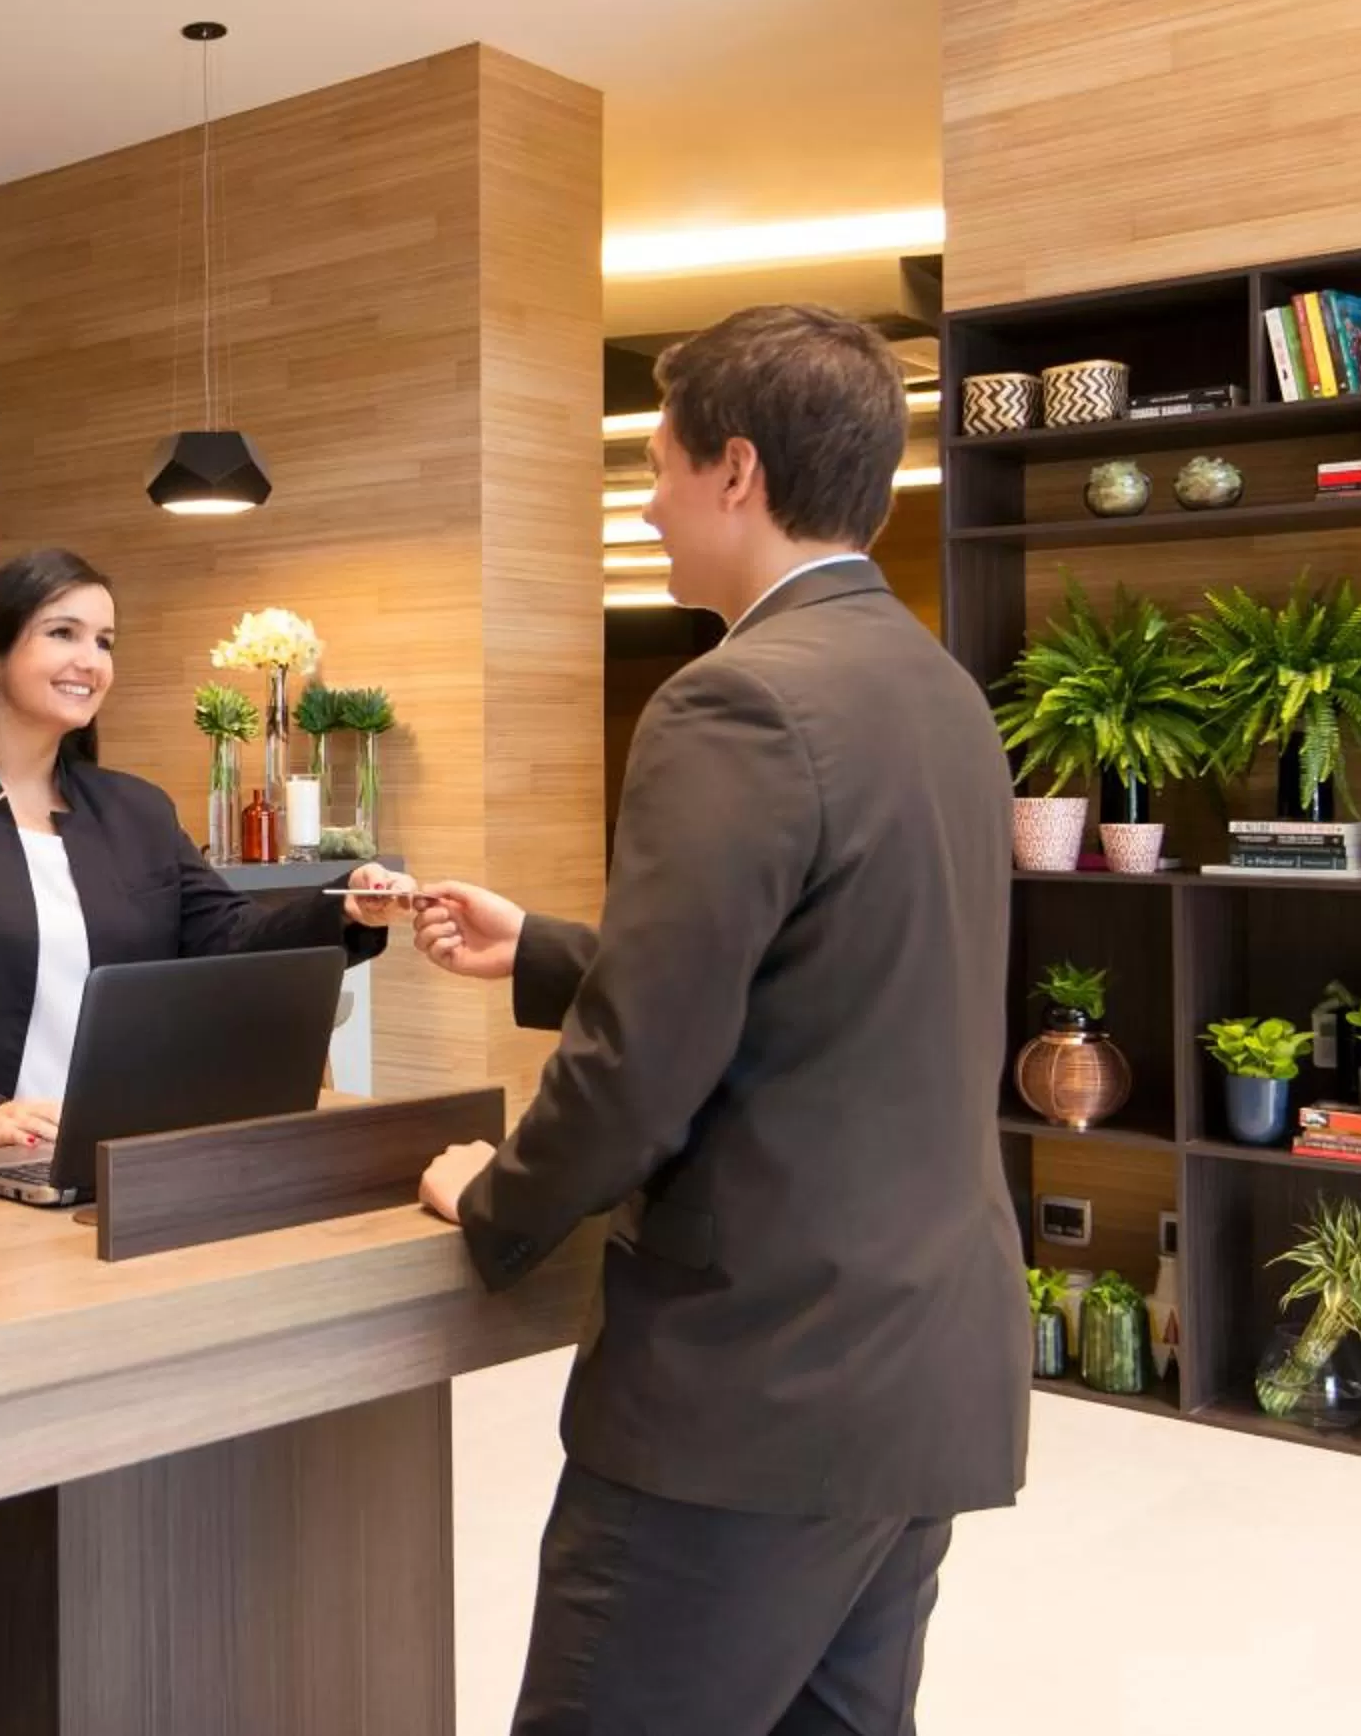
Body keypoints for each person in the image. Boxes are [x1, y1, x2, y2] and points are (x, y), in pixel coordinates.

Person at [412, 305, 1025, 1735]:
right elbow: (842, 973)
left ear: (735, 471)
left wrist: (495, 1201)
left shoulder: (733, 698)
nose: (647, 497)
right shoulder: (940, 692)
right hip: (920, 1373)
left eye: (661, 463)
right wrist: (552, 951)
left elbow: (640, 1072)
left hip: (752, 1399)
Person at [0, 546, 416, 1152]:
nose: (90, 661)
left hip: (95, 1155)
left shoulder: (137, 812)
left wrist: (343, 909)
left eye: (104, 642)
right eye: (63, 633)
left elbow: (231, 942)